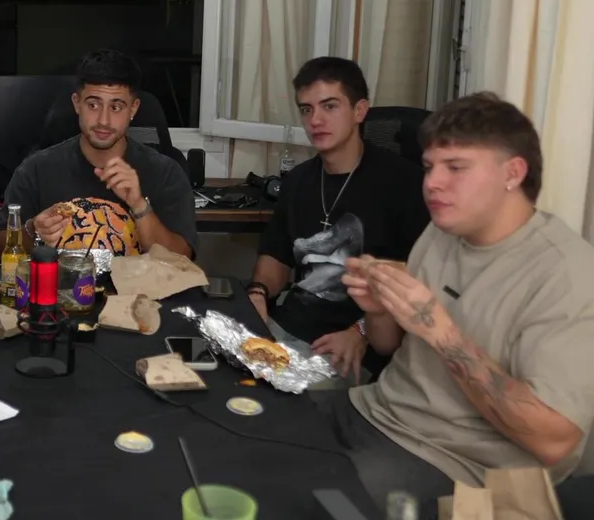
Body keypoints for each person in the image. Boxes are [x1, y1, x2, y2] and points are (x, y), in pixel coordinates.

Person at [325, 93, 594, 514]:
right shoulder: (443, 230)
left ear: (513, 173)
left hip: (456, 461)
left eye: (455, 167)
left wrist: (441, 331)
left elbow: (554, 441)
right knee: (249, 429)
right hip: (376, 410)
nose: (432, 182)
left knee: (302, 497)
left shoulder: (567, 274)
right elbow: (387, 347)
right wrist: (378, 310)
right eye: (429, 166)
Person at [246, 57, 428, 382]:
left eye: (329, 106)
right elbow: (276, 256)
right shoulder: (298, 181)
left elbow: (417, 281)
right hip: (289, 328)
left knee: (272, 401)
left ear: (360, 111)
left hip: (355, 343)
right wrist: (258, 292)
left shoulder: (406, 184)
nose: (315, 120)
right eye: (306, 109)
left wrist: (361, 333)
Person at [0, 49, 197, 258]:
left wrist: (139, 205)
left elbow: (182, 258)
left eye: (116, 107)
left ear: (133, 109)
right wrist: (32, 229)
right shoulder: (36, 169)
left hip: (139, 281)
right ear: (76, 103)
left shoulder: (165, 173)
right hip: (60, 280)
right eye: (93, 105)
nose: (103, 120)